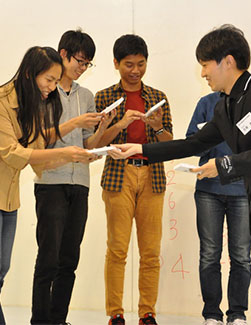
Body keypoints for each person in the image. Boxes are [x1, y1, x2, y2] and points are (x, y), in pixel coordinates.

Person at [111, 25, 251, 325]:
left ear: (228, 61)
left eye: (205, 65)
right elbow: (193, 144)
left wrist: (223, 165)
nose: (203, 74)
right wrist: (138, 149)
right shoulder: (225, 106)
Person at [0, 46, 95, 325]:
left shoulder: (32, 105)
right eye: (49, 80)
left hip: (7, 195)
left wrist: (84, 154)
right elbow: (12, 153)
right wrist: (65, 153)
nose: (52, 87)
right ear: (28, 74)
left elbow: (37, 152)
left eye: (56, 82)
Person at [30, 29, 114, 325]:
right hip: (51, 181)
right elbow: (38, 138)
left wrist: (103, 126)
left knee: (69, 260)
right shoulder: (43, 91)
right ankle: (39, 320)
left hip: (80, 184)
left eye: (88, 63)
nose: (82, 67)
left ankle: (58, 319)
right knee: (48, 259)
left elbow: (89, 144)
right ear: (63, 54)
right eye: (80, 60)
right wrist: (75, 122)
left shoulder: (86, 96)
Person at [94, 34, 173, 325]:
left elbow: (170, 142)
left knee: (151, 251)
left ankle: (147, 312)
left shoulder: (158, 97)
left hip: (152, 175)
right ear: (116, 63)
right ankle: (115, 312)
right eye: (129, 64)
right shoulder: (103, 97)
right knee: (117, 248)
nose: (135, 70)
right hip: (118, 175)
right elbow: (96, 143)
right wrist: (121, 124)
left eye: (141, 64)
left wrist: (158, 125)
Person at [186, 92, 251, 325]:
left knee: (242, 256)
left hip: (243, 189)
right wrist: (209, 137)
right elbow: (192, 143)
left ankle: (237, 314)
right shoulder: (206, 102)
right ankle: (211, 314)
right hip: (208, 190)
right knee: (209, 255)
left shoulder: (250, 100)